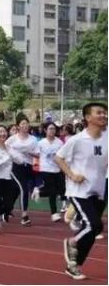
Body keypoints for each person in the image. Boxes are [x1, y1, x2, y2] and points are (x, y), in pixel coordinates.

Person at [56, 103, 108, 280]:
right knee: (93, 225)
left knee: (95, 228)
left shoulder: (107, 137)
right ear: (88, 117)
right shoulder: (77, 139)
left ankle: (74, 265)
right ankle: (72, 242)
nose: (103, 115)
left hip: (99, 188)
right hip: (79, 190)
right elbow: (59, 157)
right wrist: (71, 174)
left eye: (105, 113)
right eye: (99, 113)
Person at [6, 115, 39, 226]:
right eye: (22, 124)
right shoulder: (12, 139)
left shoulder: (33, 139)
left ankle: (6, 210)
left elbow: (38, 154)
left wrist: (29, 152)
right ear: (18, 126)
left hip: (28, 166)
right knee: (23, 189)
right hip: (15, 167)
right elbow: (4, 148)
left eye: (26, 123)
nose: (25, 126)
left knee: (15, 191)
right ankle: (24, 216)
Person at [37, 122, 65, 222]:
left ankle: (39, 191)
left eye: (53, 129)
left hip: (57, 169)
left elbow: (62, 156)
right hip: (46, 169)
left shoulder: (59, 142)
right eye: (50, 129)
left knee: (61, 189)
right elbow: (37, 154)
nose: (52, 131)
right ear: (45, 130)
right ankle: (54, 213)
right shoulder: (41, 143)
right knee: (52, 191)